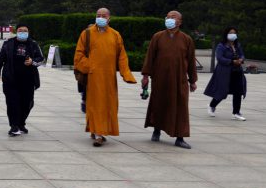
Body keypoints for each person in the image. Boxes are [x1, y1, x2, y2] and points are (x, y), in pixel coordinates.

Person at [72, 9, 137, 146]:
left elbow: (122, 56)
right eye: (98, 15)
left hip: (108, 77)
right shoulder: (87, 33)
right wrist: (91, 66)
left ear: (109, 18)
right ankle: (98, 134)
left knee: (108, 106)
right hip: (93, 77)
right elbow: (79, 54)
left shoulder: (115, 35)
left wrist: (126, 74)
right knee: (95, 105)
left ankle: (97, 130)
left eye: (103, 16)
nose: (100, 18)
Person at [141, 10, 197, 149]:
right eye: (167, 17)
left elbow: (190, 61)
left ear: (180, 22)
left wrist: (193, 80)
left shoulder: (186, 39)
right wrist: (146, 75)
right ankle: (156, 130)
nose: (169, 19)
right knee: (159, 103)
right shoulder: (157, 37)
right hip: (160, 78)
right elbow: (150, 58)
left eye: (173, 17)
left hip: (179, 80)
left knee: (181, 107)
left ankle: (180, 137)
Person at [0, 24, 45, 137]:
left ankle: (21, 123)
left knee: (27, 103)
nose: (22, 32)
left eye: (25, 31)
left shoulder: (33, 44)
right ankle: (14, 126)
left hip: (28, 80)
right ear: (16, 31)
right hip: (10, 79)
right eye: (20, 30)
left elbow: (41, 59)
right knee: (12, 103)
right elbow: (1, 58)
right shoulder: (8, 43)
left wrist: (32, 62)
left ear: (28, 32)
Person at [204, 26, 247, 121]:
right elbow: (220, 58)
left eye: (234, 33)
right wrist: (232, 62)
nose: (233, 35)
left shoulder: (237, 45)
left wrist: (241, 59)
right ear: (226, 34)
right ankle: (212, 105)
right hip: (225, 72)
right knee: (222, 91)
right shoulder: (221, 46)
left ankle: (236, 112)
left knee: (238, 92)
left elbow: (242, 54)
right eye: (231, 33)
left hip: (237, 71)